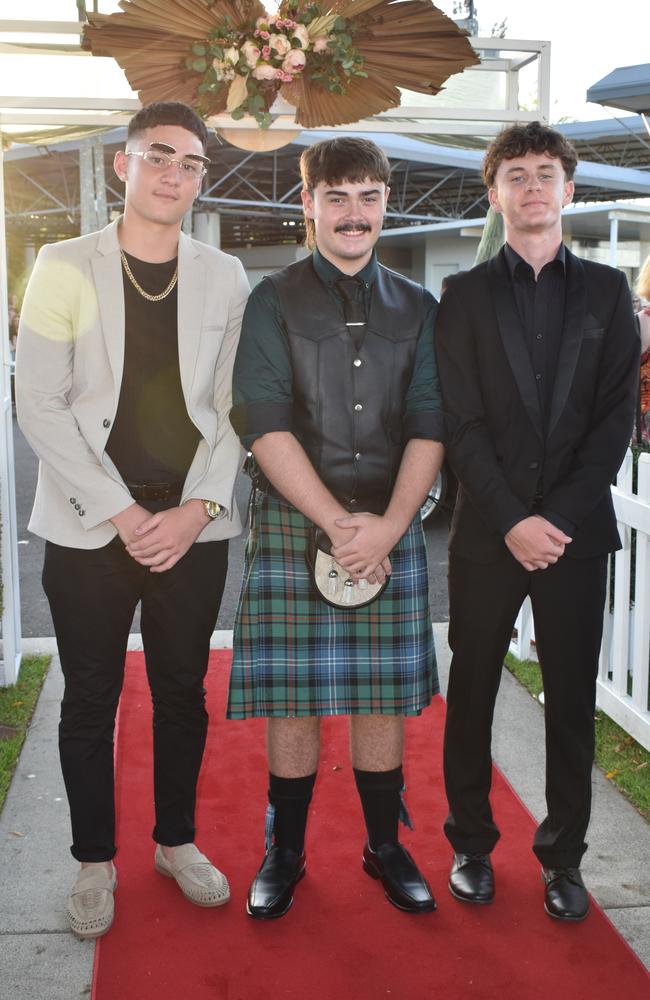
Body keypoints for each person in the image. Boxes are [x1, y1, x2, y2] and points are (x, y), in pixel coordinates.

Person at [15, 101, 249, 939]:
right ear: (124, 164)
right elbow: (38, 403)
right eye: (159, 157)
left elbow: (234, 407)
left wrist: (197, 508)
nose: (174, 175)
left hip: (193, 527)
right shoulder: (61, 266)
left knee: (184, 693)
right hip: (89, 527)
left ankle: (177, 843)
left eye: (191, 163)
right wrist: (119, 510)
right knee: (90, 697)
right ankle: (92, 860)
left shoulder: (223, 276)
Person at [229, 136, 445, 919]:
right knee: (293, 698)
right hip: (295, 524)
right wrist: (338, 525)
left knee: (381, 698)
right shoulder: (272, 298)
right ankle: (283, 851)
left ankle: (383, 845)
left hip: (390, 525)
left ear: (387, 203)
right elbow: (261, 418)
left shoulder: (421, 307)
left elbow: (431, 421)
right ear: (308, 204)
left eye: (368, 197)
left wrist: (387, 528)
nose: (354, 214)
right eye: (337, 196)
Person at [435, 121, 639, 922]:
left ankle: (563, 858)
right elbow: (460, 422)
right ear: (495, 194)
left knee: (570, 702)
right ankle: (471, 846)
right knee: (474, 693)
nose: (531, 187)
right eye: (514, 175)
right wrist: (514, 519)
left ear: (568, 190)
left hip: (575, 539)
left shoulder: (607, 293)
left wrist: (552, 519)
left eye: (545, 173)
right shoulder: (462, 295)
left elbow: (615, 418)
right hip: (489, 536)